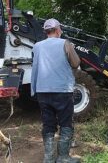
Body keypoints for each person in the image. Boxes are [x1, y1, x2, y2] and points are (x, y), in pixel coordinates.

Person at [31, 18, 81, 163]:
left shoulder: (37, 46)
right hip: (62, 91)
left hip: (42, 91)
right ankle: (63, 157)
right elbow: (76, 63)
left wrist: (34, 89)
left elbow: (34, 68)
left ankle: (48, 158)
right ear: (58, 30)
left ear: (46, 31)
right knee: (65, 123)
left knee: (48, 123)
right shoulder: (65, 43)